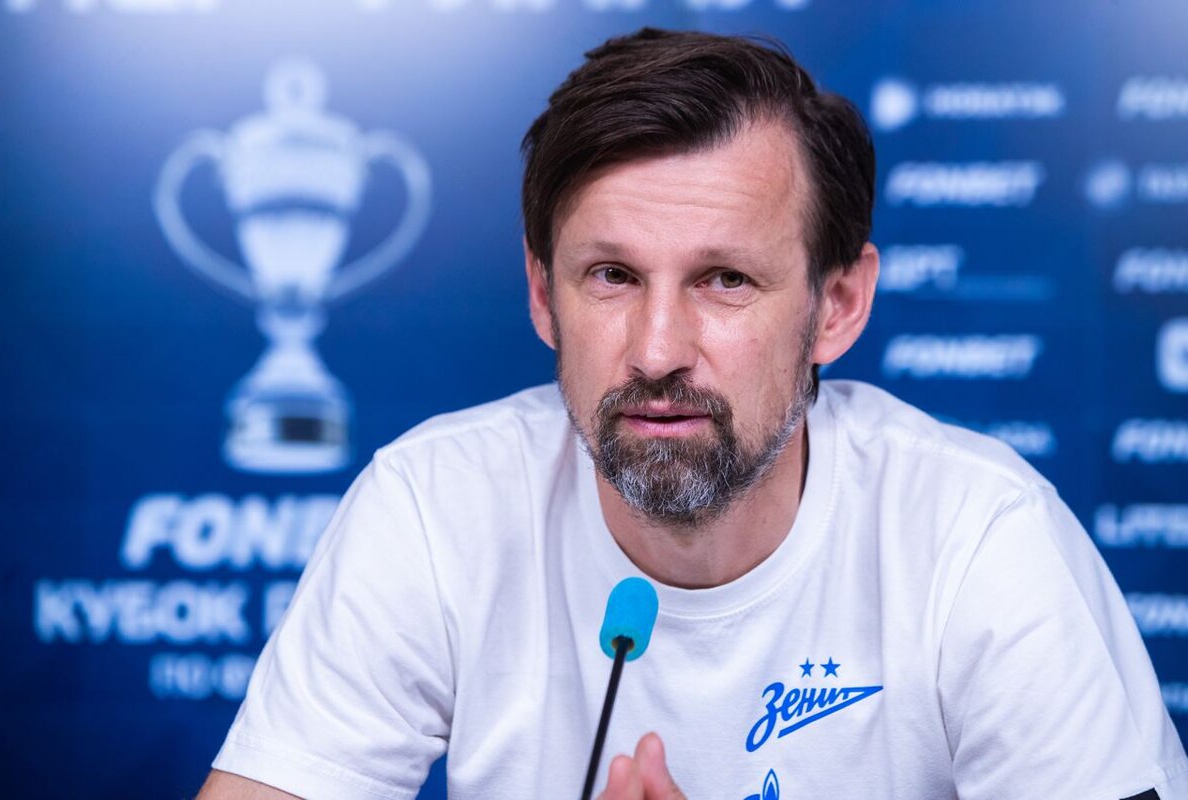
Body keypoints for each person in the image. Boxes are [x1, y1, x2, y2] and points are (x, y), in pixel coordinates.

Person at [198, 28, 1188, 800]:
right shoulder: (431, 506)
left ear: (837, 306)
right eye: (612, 275)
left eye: (724, 279)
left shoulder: (978, 534)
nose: (657, 348)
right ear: (543, 296)